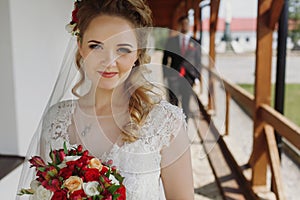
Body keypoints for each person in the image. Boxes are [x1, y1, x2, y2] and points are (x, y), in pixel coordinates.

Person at [17, 0, 194, 199]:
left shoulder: (166, 124)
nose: (109, 61)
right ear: (80, 47)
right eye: (96, 46)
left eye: (123, 49)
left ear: (137, 53)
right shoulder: (56, 120)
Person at [162, 16, 201, 119]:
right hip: (173, 76)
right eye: (182, 23)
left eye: (186, 23)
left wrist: (197, 78)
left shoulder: (195, 42)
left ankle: (185, 130)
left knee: (186, 105)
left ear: (189, 25)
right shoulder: (171, 41)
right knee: (172, 105)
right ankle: (173, 130)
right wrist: (165, 75)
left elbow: (198, 61)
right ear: (179, 25)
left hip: (188, 78)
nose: (184, 26)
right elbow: (165, 60)